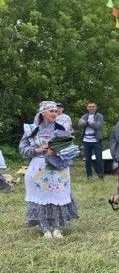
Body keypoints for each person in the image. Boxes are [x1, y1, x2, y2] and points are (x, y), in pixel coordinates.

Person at [19, 101, 79, 238]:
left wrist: (57, 151)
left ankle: (56, 227)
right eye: (51, 111)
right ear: (42, 112)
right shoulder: (31, 129)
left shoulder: (62, 128)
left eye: (56, 111)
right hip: (39, 169)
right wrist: (39, 150)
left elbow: (70, 148)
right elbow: (22, 149)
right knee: (42, 198)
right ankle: (45, 228)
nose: (55, 113)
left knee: (57, 197)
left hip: (58, 168)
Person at [78, 100, 105, 180]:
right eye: (89, 107)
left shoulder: (99, 116)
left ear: (96, 107)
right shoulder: (84, 116)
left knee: (99, 159)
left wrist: (86, 123)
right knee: (87, 159)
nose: (91, 108)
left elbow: (98, 126)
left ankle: (101, 176)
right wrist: (90, 123)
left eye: (93, 106)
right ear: (87, 108)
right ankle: (89, 176)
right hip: (86, 140)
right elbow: (80, 124)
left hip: (96, 140)